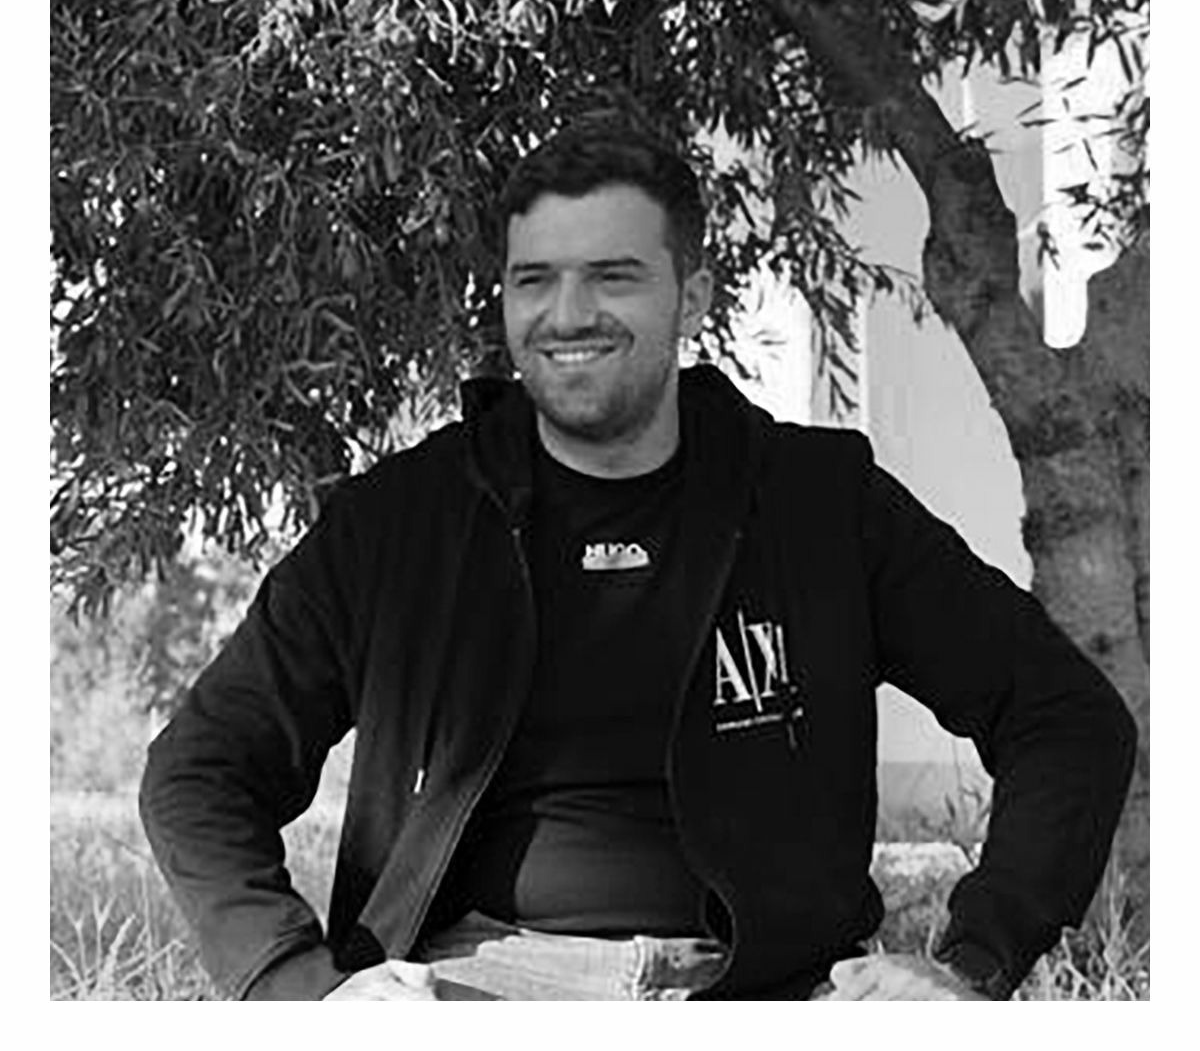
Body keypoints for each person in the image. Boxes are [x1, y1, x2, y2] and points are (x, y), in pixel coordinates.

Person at [139, 118, 1136, 1002]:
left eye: (612, 276)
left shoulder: (820, 503)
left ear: (691, 296)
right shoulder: (403, 522)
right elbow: (199, 771)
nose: (567, 313)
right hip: (472, 981)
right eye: (534, 280)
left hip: (773, 988)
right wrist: (299, 988)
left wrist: (972, 961)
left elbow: (1064, 716)